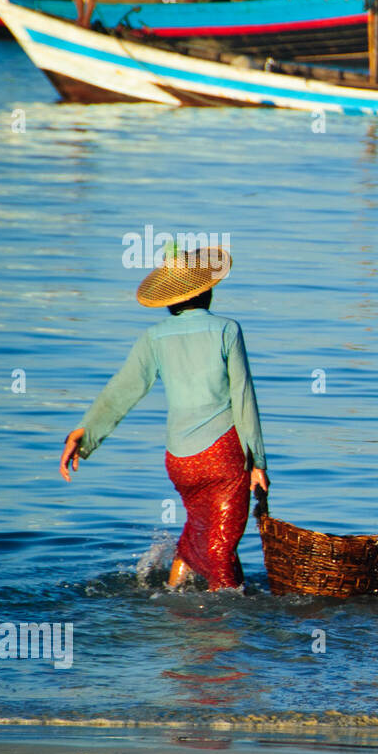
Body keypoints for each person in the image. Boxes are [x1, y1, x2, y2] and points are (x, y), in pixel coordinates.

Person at [59, 245, 268, 591]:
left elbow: (122, 390)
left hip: (180, 462)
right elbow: (244, 399)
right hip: (222, 457)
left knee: (199, 530)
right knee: (221, 549)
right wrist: (257, 461)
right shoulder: (227, 329)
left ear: (169, 299)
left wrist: (85, 433)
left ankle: (173, 597)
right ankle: (224, 634)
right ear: (208, 290)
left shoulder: (154, 336)